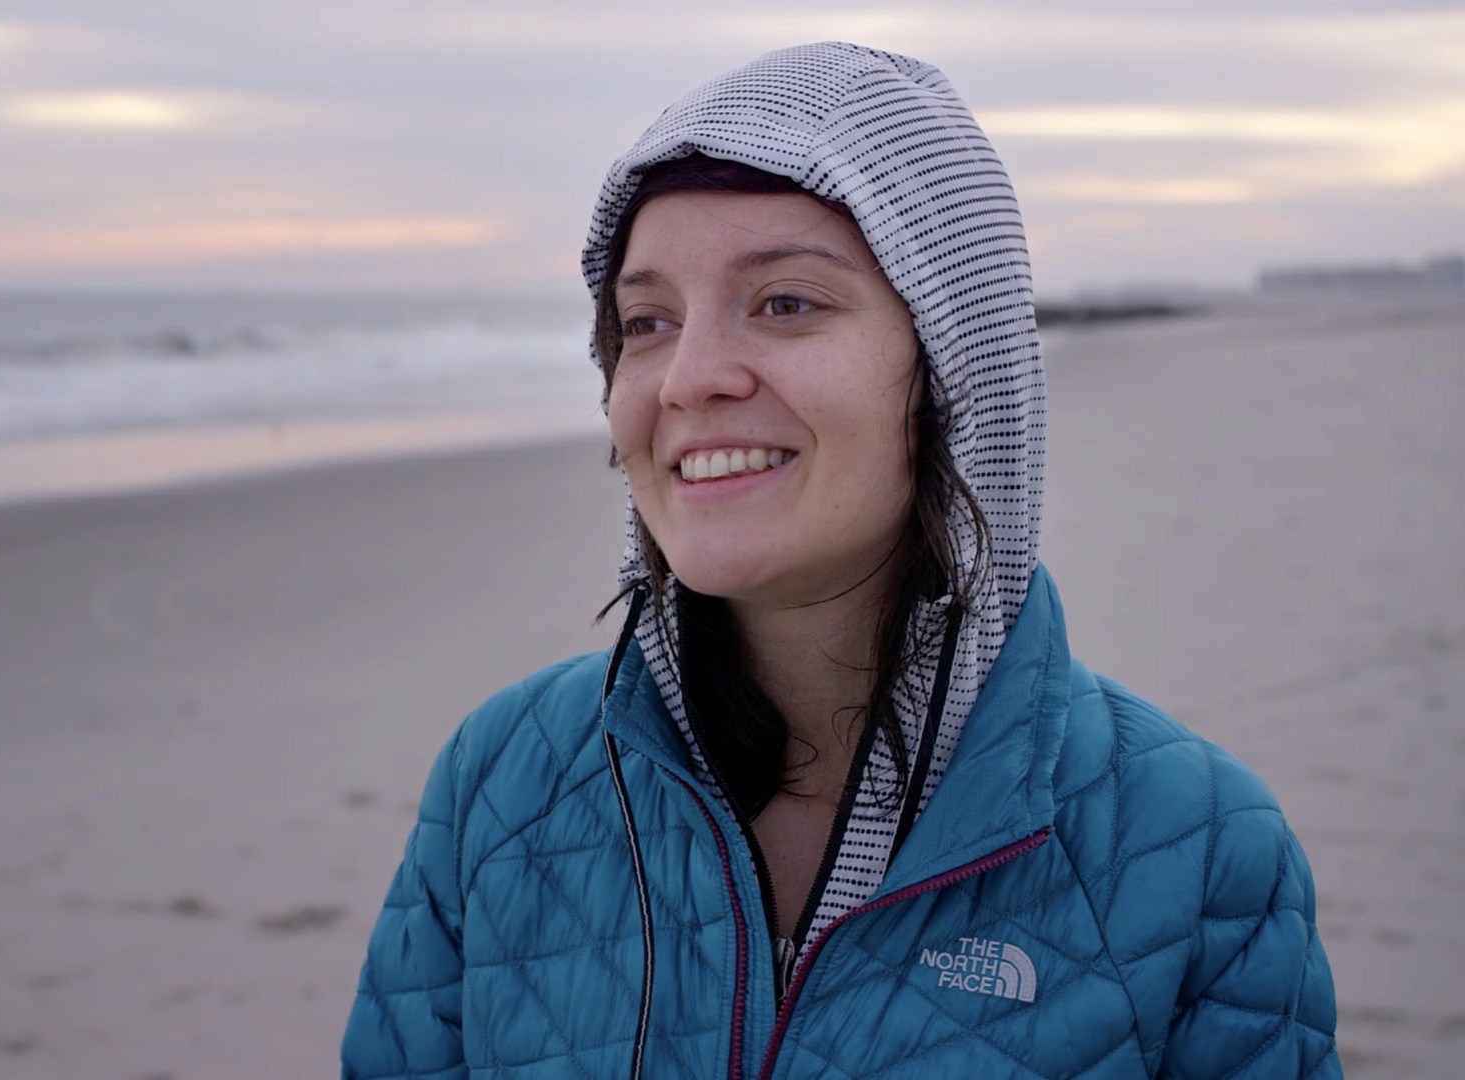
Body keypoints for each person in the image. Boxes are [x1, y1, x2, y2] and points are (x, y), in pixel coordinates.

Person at [342, 42, 1340, 1079]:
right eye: (646, 322)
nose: (687, 379)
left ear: (952, 369)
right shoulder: (504, 781)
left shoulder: (1196, 847)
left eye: (784, 302)